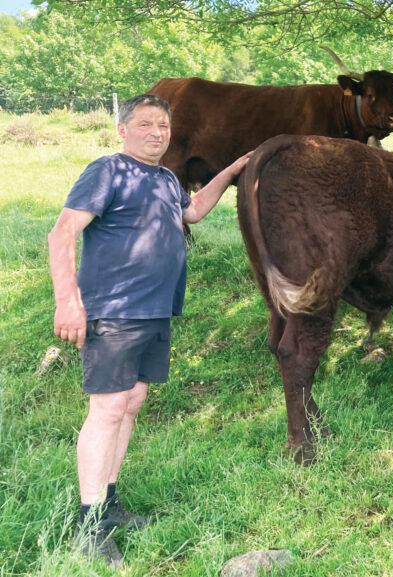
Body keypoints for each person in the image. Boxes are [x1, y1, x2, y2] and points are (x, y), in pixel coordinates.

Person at [48, 94, 251, 565]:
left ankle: (109, 504)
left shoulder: (164, 178)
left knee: (131, 404)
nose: (157, 132)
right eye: (145, 124)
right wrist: (67, 302)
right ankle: (88, 525)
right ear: (123, 129)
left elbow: (194, 210)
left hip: (155, 311)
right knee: (108, 408)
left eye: (163, 125)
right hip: (114, 310)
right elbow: (62, 232)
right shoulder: (107, 171)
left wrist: (234, 169)